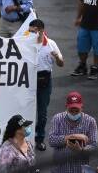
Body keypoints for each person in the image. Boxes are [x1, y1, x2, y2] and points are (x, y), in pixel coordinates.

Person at [28, 19, 64, 152]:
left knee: (42, 114)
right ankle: (24, 138)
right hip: (28, 83)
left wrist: (57, 58)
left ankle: (39, 139)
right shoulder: (25, 43)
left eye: (33, 31)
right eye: (29, 31)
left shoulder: (51, 44)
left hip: (44, 83)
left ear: (41, 30)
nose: (31, 34)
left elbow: (61, 63)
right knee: (26, 112)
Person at [47, 91, 98, 173]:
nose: (74, 113)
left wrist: (81, 150)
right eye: (71, 110)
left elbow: (94, 145)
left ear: (82, 107)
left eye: (77, 110)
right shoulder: (57, 119)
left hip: (79, 168)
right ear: (66, 107)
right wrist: (71, 137)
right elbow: (51, 140)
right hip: (60, 168)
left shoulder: (90, 121)